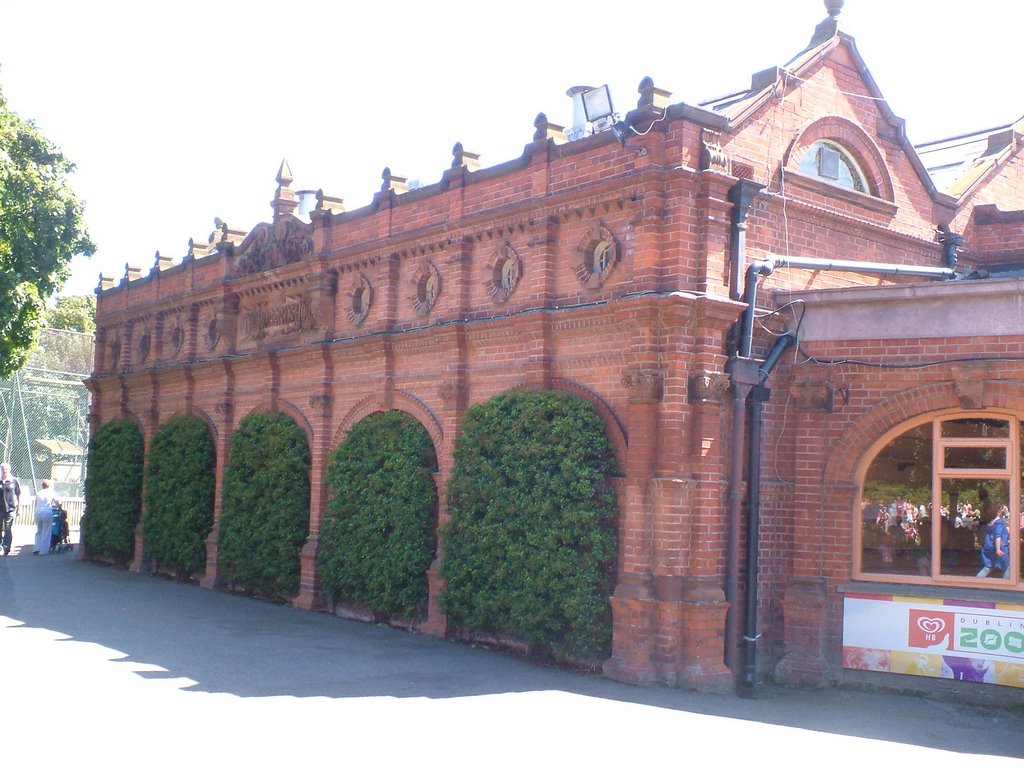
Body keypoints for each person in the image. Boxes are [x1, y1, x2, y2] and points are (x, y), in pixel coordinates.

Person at [975, 491, 1010, 579]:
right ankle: (1006, 585)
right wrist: (998, 549)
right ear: (998, 511)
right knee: (1008, 567)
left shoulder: (990, 523)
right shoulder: (999, 523)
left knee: (988, 567)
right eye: (1001, 509)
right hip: (999, 548)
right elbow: (997, 536)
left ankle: (977, 581)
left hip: (987, 547)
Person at [33, 479, 57, 555]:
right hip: (47, 512)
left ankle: (36, 548)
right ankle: (43, 551)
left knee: (39, 531)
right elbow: (58, 502)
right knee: (46, 532)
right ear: (49, 485)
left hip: (38, 512)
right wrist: (60, 507)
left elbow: (35, 504)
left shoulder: (39, 492)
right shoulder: (51, 492)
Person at [0, 462, 20, 556]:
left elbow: (19, 494)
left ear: (9, 470)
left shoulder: (14, 481)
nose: (4, 471)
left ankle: (6, 547)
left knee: (8, 528)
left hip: (10, 509)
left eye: (6, 469)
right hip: (0, 509)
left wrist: (19, 507)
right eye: (3, 469)